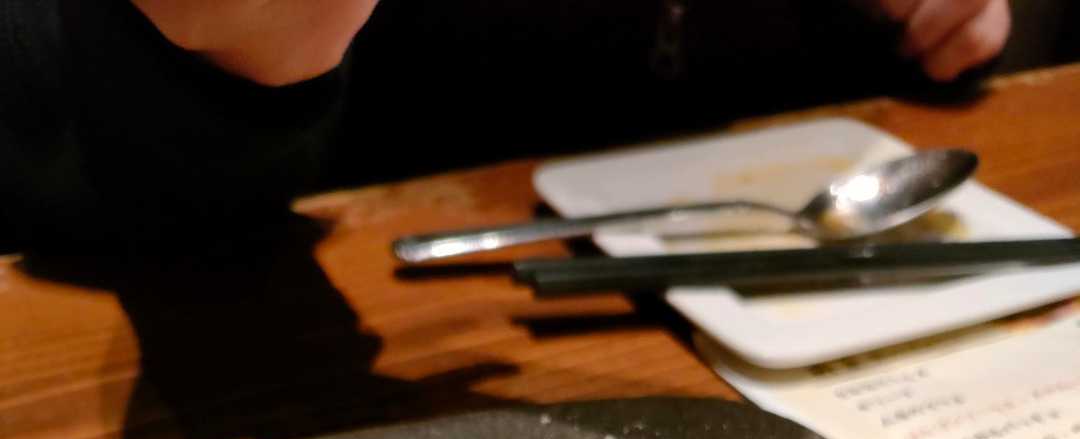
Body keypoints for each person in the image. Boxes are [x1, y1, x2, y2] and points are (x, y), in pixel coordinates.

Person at [0, 0, 1011, 253]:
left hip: (795, 246)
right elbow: (60, 153)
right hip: (346, 289)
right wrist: (227, 79)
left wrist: (931, 24)